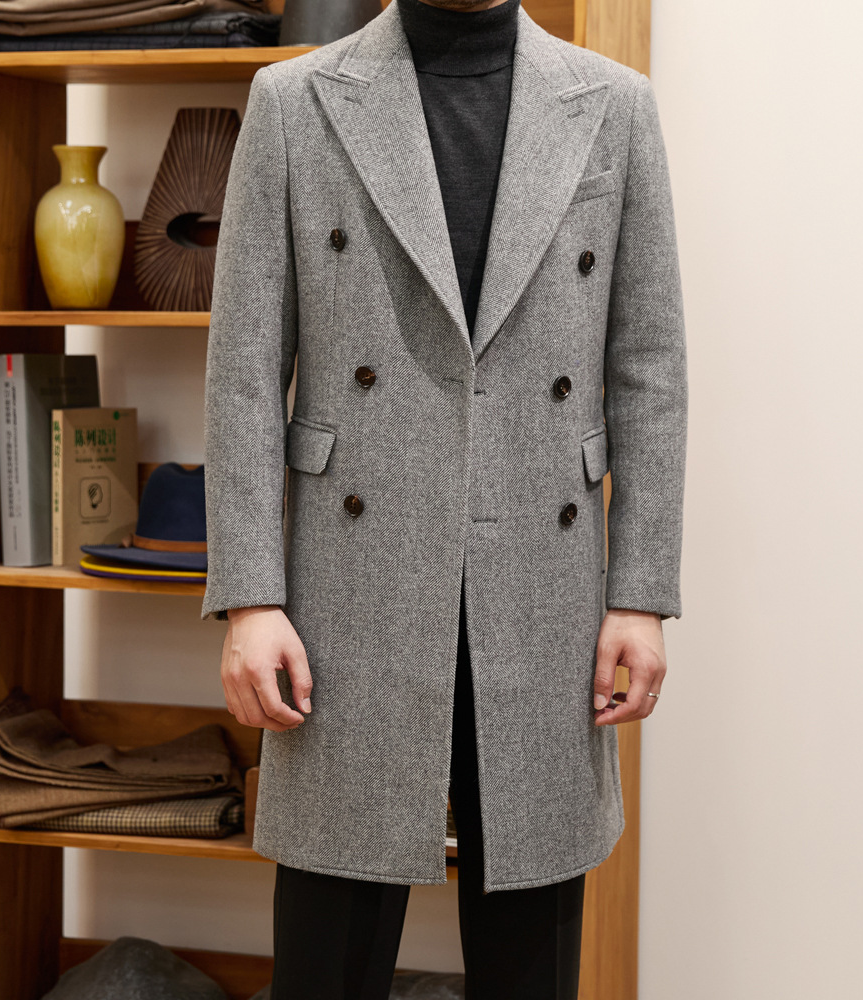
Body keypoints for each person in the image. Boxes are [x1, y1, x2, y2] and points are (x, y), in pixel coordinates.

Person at [200, 0, 687, 997]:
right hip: (350, 594)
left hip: (545, 590)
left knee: (530, 960)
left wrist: (639, 593)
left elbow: (649, 369)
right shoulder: (294, 102)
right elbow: (243, 371)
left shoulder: (615, 105)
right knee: (328, 956)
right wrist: (250, 599)